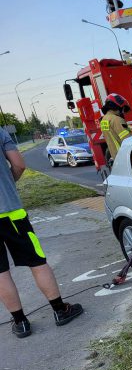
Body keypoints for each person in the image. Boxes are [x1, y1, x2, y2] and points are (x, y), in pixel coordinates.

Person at [0, 129, 83, 338]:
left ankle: (21, 323)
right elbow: (19, 165)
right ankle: (59, 310)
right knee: (36, 262)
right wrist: (7, 184)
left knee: (0, 273)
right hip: (11, 212)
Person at [100, 93, 132, 160]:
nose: (123, 112)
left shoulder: (104, 120)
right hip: (124, 156)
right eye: (123, 109)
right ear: (116, 106)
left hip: (116, 157)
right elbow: (128, 140)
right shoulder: (117, 119)